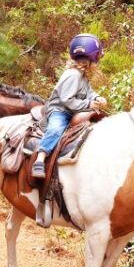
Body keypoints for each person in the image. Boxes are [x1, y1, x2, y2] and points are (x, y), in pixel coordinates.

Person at [31, 34, 108, 181]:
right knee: (55, 129)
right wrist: (88, 104)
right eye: (96, 61)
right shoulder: (73, 75)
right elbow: (67, 100)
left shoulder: (82, 76)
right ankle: (40, 159)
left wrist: (97, 98)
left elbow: (88, 92)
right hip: (61, 111)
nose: (97, 64)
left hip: (74, 110)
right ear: (90, 60)